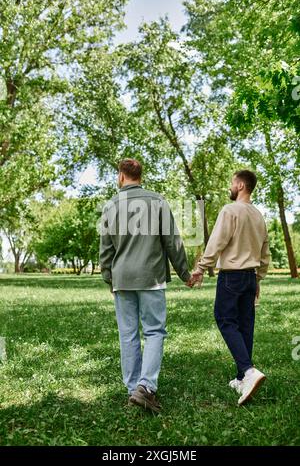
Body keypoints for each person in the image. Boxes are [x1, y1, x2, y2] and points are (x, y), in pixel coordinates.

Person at [100, 158, 191, 413]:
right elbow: (173, 242)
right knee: (154, 332)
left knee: (127, 334)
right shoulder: (157, 201)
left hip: (122, 278)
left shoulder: (110, 205)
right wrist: (185, 274)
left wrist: (109, 277)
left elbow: (105, 249)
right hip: (151, 277)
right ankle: (146, 387)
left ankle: (133, 390)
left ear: (121, 177)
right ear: (140, 176)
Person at [188, 170, 270, 405]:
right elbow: (265, 252)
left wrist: (201, 268)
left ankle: (248, 369)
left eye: (232, 182)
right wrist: (259, 279)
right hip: (250, 277)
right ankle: (241, 377)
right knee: (245, 325)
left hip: (232, 276)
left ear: (242, 185)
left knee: (224, 319)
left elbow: (216, 243)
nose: (230, 186)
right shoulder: (259, 216)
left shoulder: (230, 210)